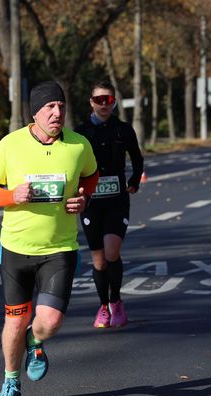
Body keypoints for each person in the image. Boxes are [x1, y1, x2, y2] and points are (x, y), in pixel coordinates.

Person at [0, 80, 99, 396]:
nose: (57, 112)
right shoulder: (10, 145)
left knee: (49, 323)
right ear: (34, 113)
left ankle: (36, 341)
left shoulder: (78, 146)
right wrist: (11, 196)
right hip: (16, 248)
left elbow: (91, 175)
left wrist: (84, 198)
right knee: (14, 321)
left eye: (61, 106)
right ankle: (11, 383)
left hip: (59, 248)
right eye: (49, 107)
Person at [74, 80, 143, 328]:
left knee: (112, 251)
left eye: (109, 100)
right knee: (99, 261)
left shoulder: (123, 130)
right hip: (91, 202)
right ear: (91, 102)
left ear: (114, 102)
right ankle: (103, 307)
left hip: (117, 201)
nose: (104, 104)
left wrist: (134, 180)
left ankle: (116, 302)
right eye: (99, 99)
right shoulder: (80, 133)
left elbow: (137, 158)